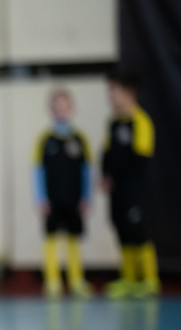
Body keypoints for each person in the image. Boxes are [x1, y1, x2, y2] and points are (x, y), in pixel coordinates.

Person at [101, 70, 159, 299]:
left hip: (135, 188)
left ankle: (150, 280)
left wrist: (127, 182)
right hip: (117, 189)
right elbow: (107, 153)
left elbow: (140, 159)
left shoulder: (140, 121)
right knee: (122, 229)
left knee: (138, 231)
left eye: (114, 90)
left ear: (129, 93)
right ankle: (129, 279)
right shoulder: (113, 123)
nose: (111, 96)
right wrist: (106, 175)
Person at [34, 89, 93, 299]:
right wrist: (40, 198)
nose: (61, 112)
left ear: (71, 109)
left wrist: (87, 197)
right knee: (51, 238)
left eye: (65, 107)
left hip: (74, 200)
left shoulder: (79, 139)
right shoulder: (45, 140)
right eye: (57, 108)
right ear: (51, 111)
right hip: (52, 200)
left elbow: (87, 170)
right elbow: (37, 171)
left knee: (73, 239)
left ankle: (76, 280)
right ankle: (52, 281)